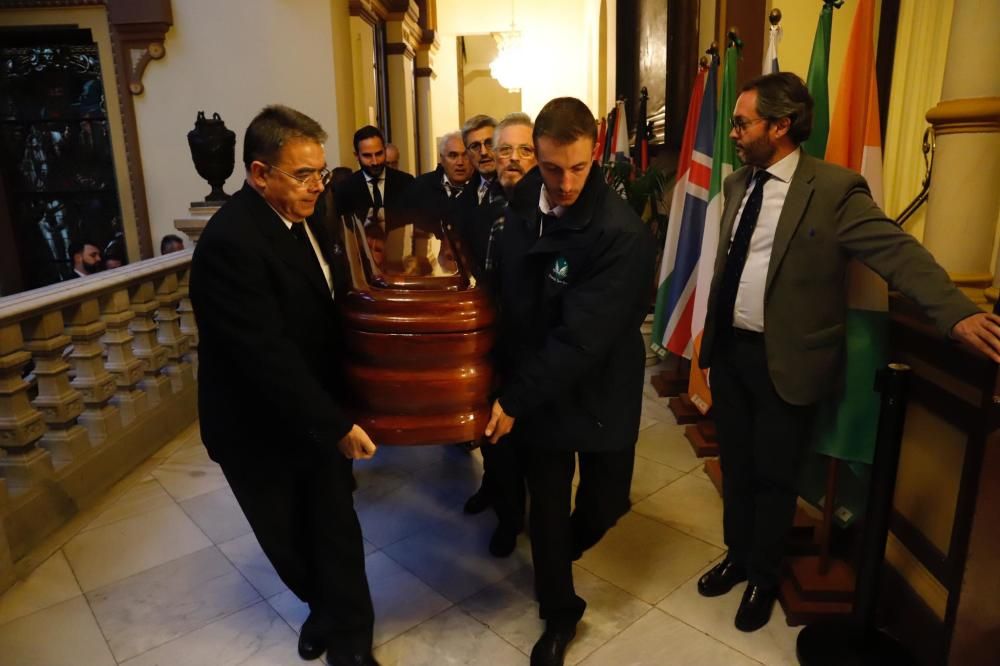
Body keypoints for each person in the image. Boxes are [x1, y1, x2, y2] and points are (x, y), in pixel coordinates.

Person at [696, 72, 1000, 634]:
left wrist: (955, 311)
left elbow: (898, 252)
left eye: (743, 122)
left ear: (780, 126)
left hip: (788, 361)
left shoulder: (835, 190)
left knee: (775, 475)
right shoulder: (739, 184)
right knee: (736, 466)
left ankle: (765, 574)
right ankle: (738, 555)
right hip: (731, 354)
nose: (733, 133)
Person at [190, 105, 381, 666]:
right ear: (258, 173)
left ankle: (350, 642)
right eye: (303, 174)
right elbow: (263, 355)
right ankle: (321, 608)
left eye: (321, 172)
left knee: (335, 531)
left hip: (314, 410)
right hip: (258, 429)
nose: (318, 185)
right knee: (288, 542)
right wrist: (337, 423)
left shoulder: (308, 213)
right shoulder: (232, 243)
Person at [484, 97, 654, 666]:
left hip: (597, 382)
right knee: (549, 508)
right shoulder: (522, 198)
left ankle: (562, 550)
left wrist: (513, 396)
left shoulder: (619, 232)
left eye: (578, 168)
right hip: (538, 385)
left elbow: (583, 338)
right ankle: (559, 607)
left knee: (607, 502)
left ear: (595, 152)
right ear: (537, 151)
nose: (565, 182)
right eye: (553, 167)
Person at [461, 112, 537, 557]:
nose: (509, 158)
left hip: (537, 348)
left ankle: (524, 513)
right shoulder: (488, 209)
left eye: (523, 150)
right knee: (497, 440)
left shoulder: (551, 207)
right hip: (495, 341)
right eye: (503, 150)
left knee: (532, 446)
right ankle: (506, 515)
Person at [334, 126, 414, 227]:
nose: (375, 162)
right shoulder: (344, 189)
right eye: (367, 156)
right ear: (357, 156)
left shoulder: (406, 183)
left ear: (385, 150)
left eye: (379, 154)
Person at [404, 131, 472, 234]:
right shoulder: (420, 187)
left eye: (465, 156)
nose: (460, 162)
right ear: (442, 160)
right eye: (453, 156)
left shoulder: (483, 188)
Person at [461, 114, 498, 207]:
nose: (483, 152)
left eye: (490, 143)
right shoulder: (463, 196)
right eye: (475, 146)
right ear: (467, 153)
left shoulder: (513, 187)